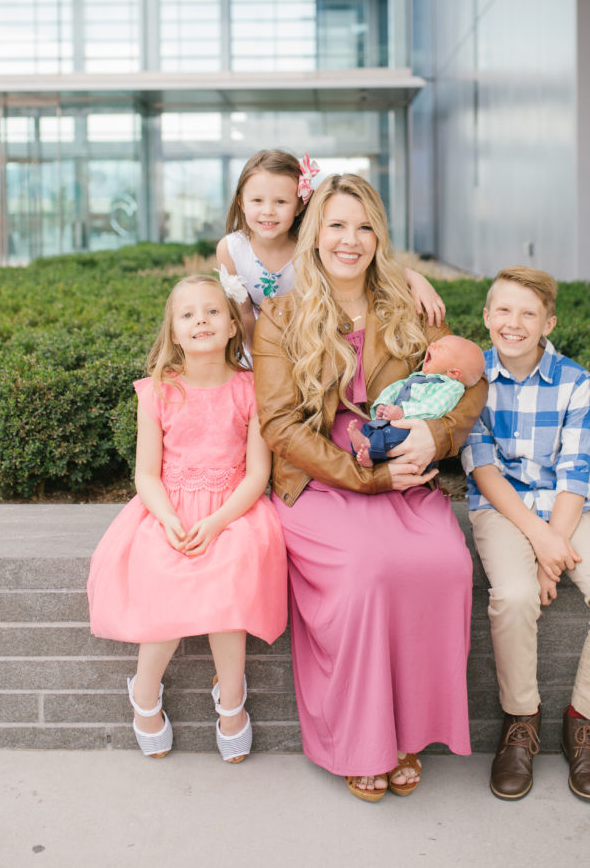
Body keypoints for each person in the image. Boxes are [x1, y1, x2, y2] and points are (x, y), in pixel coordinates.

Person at [252, 173, 488, 802]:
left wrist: (435, 441)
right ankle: (360, 743)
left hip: (404, 476)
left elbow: (471, 381)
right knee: (364, 573)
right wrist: (367, 476)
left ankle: (408, 732)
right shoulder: (281, 316)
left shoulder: (408, 309)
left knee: (445, 565)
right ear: (315, 235)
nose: (349, 240)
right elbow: (279, 424)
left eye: (363, 227)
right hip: (324, 480)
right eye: (336, 225)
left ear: (379, 236)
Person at [87, 274, 287, 763]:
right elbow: (147, 475)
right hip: (169, 509)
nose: (201, 319)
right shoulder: (157, 393)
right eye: (188, 314)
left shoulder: (250, 391)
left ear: (233, 327)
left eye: (213, 311)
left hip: (232, 510)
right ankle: (145, 694)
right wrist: (170, 519)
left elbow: (257, 474)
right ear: (173, 332)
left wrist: (218, 521)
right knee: (161, 573)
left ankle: (232, 701)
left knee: (233, 575)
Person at [462, 265, 590, 802]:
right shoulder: (472, 379)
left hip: (568, 511)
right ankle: (521, 720)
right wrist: (538, 542)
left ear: (548, 323)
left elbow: (575, 471)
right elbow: (483, 469)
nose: (513, 323)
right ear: (487, 315)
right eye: (504, 311)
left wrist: (551, 551)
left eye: (528, 313)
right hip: (503, 509)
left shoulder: (573, 380)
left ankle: (583, 722)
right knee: (514, 598)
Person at [215, 149, 447, 349]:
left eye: (280, 202)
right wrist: (261, 360)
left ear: (298, 206)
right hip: (255, 338)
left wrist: (414, 278)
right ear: (240, 202)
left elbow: (368, 266)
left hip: (310, 337)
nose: (268, 211)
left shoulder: (310, 244)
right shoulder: (231, 249)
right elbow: (243, 312)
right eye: (257, 201)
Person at [348, 334, 485, 465]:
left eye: (441, 348)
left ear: (453, 373)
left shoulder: (451, 387)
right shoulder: (419, 376)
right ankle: (366, 454)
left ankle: (370, 452)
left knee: (393, 436)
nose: (433, 344)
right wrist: (382, 404)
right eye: (436, 342)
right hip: (392, 419)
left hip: (412, 429)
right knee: (371, 428)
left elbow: (434, 408)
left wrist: (404, 412)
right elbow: (396, 388)